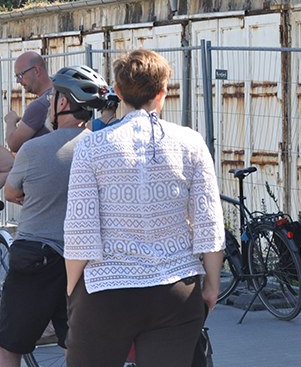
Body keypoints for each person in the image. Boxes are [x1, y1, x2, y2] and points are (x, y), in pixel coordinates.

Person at [63, 49, 224, 367]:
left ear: (118, 93)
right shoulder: (190, 142)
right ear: (163, 91)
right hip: (176, 288)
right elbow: (209, 221)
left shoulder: (92, 147)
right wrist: (213, 285)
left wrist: (72, 289)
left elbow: (80, 228)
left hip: (107, 288)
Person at [0, 66, 112, 366]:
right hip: (84, 259)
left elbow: (11, 193)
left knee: (9, 344)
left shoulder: (34, 149)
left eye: (52, 99)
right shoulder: (103, 148)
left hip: (35, 256)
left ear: (62, 104)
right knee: (75, 344)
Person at [5, 51, 54, 153]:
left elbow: (14, 144)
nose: (18, 81)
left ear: (36, 71)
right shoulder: (58, 92)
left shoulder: (39, 105)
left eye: (20, 75)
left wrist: (10, 121)